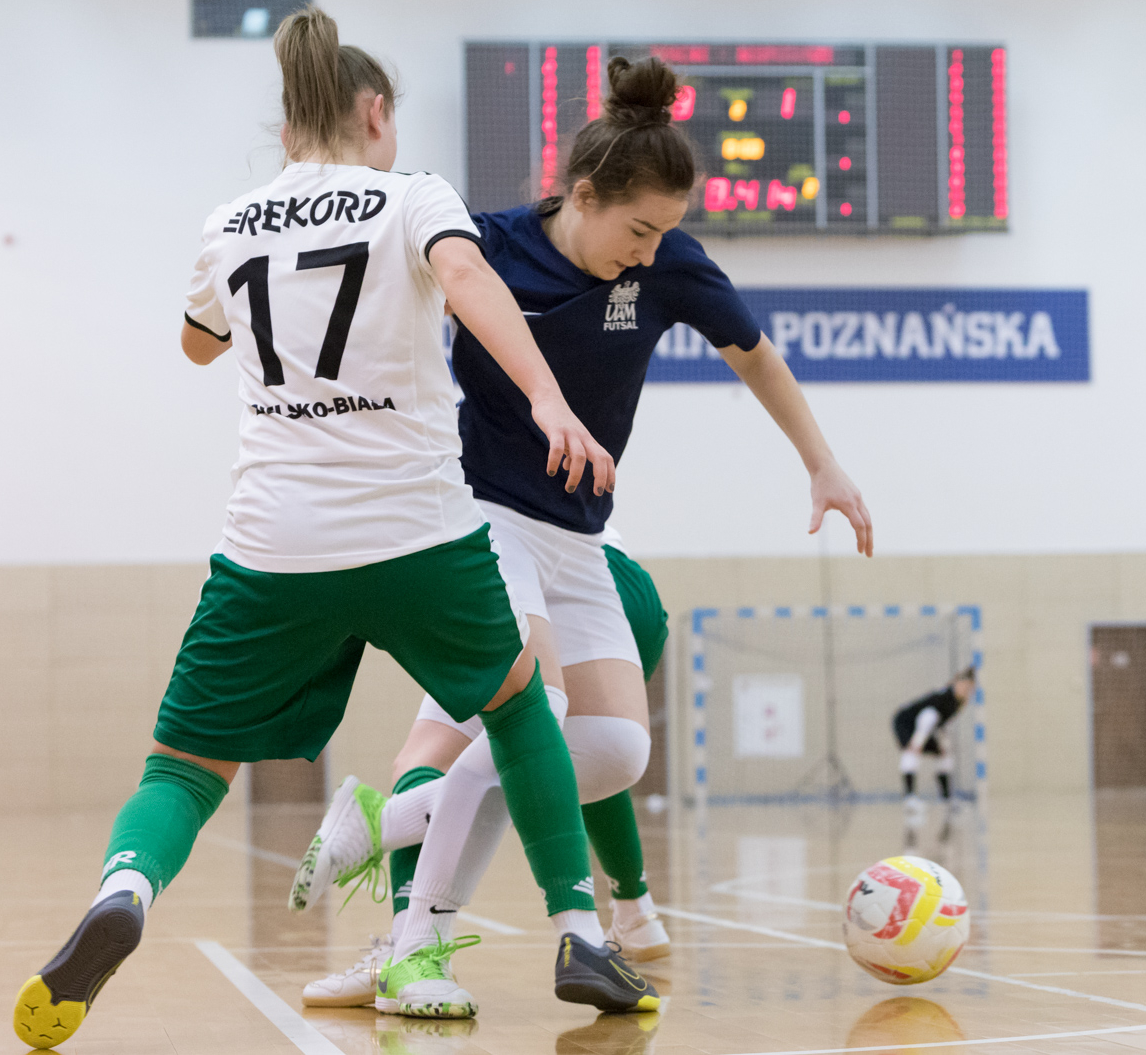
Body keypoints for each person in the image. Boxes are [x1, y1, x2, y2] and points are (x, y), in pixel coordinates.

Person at [11, 6, 645, 1049]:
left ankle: (124, 889)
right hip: (416, 534)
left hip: (273, 545)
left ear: (287, 125)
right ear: (375, 113)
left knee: (182, 766)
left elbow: (196, 344)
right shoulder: (413, 195)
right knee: (519, 704)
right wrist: (546, 396)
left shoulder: (232, 221)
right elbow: (467, 277)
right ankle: (579, 931)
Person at [291, 53, 873, 1019]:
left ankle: (380, 819)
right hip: (480, 516)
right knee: (537, 715)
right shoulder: (486, 245)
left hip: (578, 536)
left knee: (612, 750)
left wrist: (823, 462)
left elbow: (755, 355)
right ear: (584, 194)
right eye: (638, 229)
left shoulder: (668, 265)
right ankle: (417, 942)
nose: (648, 252)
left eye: (664, 233)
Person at [300, 524, 668, 1008]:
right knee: (595, 746)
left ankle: (404, 926)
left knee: (437, 756)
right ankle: (636, 912)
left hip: (508, 542)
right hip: (613, 571)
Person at [893, 667, 974, 804]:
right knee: (911, 752)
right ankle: (909, 797)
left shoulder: (958, 702)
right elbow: (928, 716)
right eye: (964, 687)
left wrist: (943, 744)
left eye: (969, 689)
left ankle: (946, 797)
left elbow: (941, 724)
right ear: (957, 683)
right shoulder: (945, 698)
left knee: (944, 754)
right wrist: (918, 742)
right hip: (906, 722)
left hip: (926, 726)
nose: (966, 691)